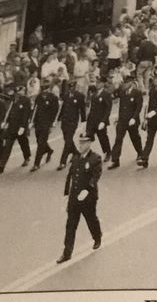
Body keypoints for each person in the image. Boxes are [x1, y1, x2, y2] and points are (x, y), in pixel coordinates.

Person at [57, 133, 102, 264]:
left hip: (87, 199)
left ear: (89, 143)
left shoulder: (95, 158)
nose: (81, 145)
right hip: (74, 198)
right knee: (70, 225)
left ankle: (97, 237)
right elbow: (70, 177)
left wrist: (87, 190)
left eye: (83, 143)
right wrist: (66, 194)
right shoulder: (76, 158)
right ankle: (67, 253)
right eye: (80, 142)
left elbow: (96, 176)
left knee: (91, 219)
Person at [108, 76, 143, 170]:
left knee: (135, 137)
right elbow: (121, 107)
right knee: (118, 139)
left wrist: (134, 118)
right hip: (123, 120)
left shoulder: (137, 93)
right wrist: (119, 118)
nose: (125, 85)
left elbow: (139, 107)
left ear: (131, 83)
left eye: (127, 83)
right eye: (124, 83)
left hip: (132, 120)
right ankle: (115, 160)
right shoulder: (123, 93)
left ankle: (140, 153)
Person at [0, 85, 31, 173]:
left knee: (23, 143)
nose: (18, 94)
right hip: (12, 127)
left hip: (20, 127)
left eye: (20, 92)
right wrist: (5, 122)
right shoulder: (13, 100)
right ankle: (2, 166)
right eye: (17, 93)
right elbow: (10, 112)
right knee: (8, 146)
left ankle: (27, 157)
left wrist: (23, 127)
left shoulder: (26, 100)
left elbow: (26, 114)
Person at [57, 79, 86, 170]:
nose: (71, 89)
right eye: (70, 88)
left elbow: (82, 109)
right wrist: (58, 119)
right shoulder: (66, 96)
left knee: (68, 140)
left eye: (72, 87)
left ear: (75, 87)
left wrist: (83, 121)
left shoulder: (80, 96)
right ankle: (76, 153)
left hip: (73, 121)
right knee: (66, 139)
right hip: (65, 121)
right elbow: (63, 108)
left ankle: (63, 162)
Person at [31, 80, 60, 172]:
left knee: (41, 143)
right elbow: (35, 109)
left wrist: (52, 123)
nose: (44, 91)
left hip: (46, 123)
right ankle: (49, 150)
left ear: (48, 89)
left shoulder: (53, 98)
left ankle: (36, 164)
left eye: (46, 89)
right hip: (38, 123)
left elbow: (55, 111)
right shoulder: (39, 97)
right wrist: (32, 120)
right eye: (42, 89)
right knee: (39, 140)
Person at [86, 77, 112, 162]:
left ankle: (107, 152)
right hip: (92, 120)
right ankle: (86, 154)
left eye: (99, 83)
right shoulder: (94, 95)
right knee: (88, 137)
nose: (97, 85)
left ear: (103, 84)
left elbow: (108, 109)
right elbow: (92, 109)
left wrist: (104, 121)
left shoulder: (106, 94)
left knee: (103, 138)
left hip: (100, 121)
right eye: (96, 83)